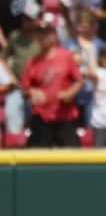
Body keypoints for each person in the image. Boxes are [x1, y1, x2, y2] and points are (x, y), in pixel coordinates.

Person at [22, 18, 83, 149]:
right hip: (42, 117)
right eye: (40, 34)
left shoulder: (66, 56)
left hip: (65, 116)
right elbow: (24, 88)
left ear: (54, 35)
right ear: (35, 37)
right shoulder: (32, 62)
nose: (43, 37)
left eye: (47, 33)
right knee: (36, 160)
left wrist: (70, 92)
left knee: (73, 160)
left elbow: (79, 80)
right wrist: (32, 91)